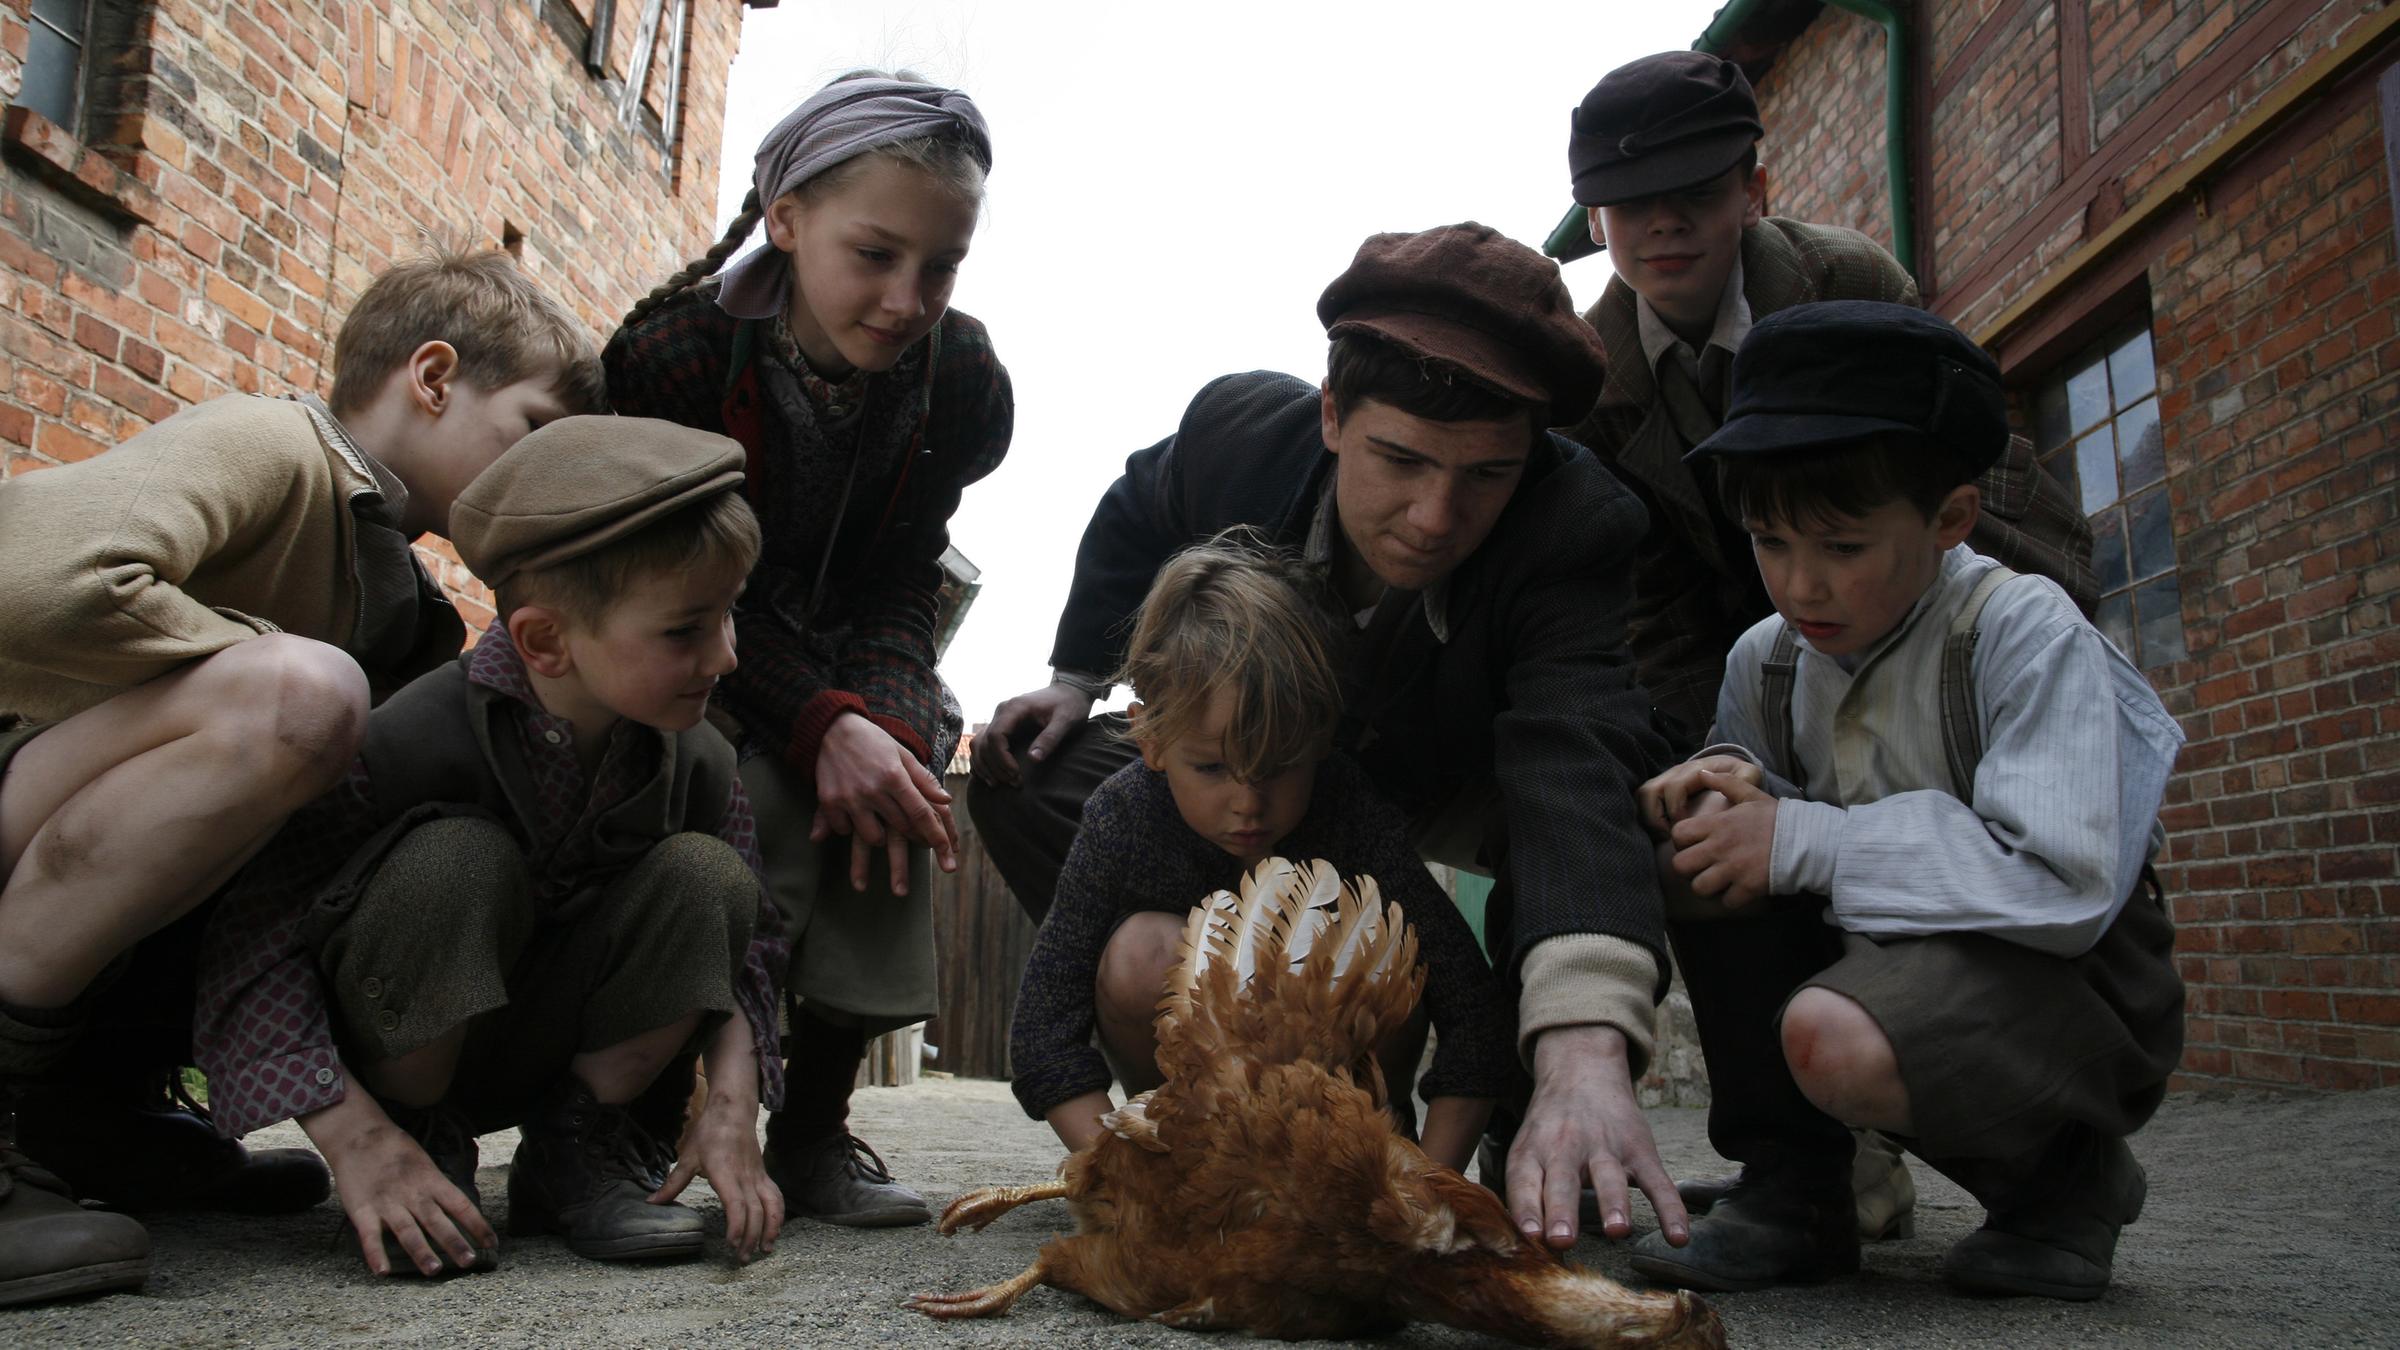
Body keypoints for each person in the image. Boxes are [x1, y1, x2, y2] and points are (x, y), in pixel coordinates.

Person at [971, 222, 1684, 1254]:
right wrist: (1075, 679)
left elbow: (1570, 757)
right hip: (1278, 776)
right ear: (1334, 416)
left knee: (1627, 829)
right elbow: (1136, 509)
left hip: (1465, 774)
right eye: (1401, 459)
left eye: (1485, 475)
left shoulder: (1578, 523)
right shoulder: (1237, 437)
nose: (1436, 516)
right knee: (1023, 778)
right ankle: (1209, 1075)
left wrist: (1582, 1042)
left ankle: (1498, 1119)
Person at [1560, 48, 2098, 1240]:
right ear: (1596, 218)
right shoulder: (1595, 381)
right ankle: (1804, 1178)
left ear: (1753, 185)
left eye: (1694, 192)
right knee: (1711, 837)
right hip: (1764, 655)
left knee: (1962, 874)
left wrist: (1997, 655)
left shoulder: (1846, 278)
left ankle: (2058, 1172)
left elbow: (1971, 473)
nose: (1662, 225)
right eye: (1627, 204)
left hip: (1931, 622)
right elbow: (1652, 609)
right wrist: (1734, 768)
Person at [0, 249, 600, 1306]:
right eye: (534, 431)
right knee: (305, 701)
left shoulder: (410, 616)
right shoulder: (274, 443)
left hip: (97, 893)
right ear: (432, 375)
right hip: (22, 797)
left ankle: (92, 1117)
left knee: (344, 804)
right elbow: (34, 582)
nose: (544, 478)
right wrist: (265, 669)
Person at [1628, 301, 2183, 1300]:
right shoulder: (1769, 658)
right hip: (1895, 960)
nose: (1801, 583)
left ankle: (2065, 1181)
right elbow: (1772, 844)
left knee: (1833, 1037)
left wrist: (1797, 834)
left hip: (2081, 990)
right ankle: (1796, 1190)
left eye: (1843, 547)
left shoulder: (2019, 629)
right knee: (1699, 857)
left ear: (1951, 519)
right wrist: (1734, 788)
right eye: (1769, 540)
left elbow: (2062, 882)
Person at [194, 417, 789, 1277]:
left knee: (709, 874)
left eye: (729, 616)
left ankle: (577, 1154)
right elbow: (252, 943)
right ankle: (419, 1154)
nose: (727, 656)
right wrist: (359, 1140)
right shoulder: (402, 740)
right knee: (454, 857)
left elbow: (753, 950)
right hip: (407, 1052)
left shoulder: (699, 758)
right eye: (685, 631)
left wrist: (732, 1104)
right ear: (547, 641)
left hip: (571, 1053)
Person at [603, 70, 1011, 1227]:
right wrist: (815, 719)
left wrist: (873, 726)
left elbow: (902, 575)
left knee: (897, 789)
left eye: (942, 266)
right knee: (753, 799)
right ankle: (636, 1123)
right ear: (786, 221)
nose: (906, 297)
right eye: (875, 255)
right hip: (694, 643)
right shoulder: (675, 360)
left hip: (844, 654)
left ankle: (818, 1126)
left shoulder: (960, 381)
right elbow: (674, 582)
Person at [1008, 535, 1516, 1172]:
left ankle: (1365, 1160)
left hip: (1348, 1141)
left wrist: (1436, 1187)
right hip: (1186, 1140)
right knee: (1142, 949)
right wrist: (1120, 1178)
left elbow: (1474, 1012)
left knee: (1377, 945)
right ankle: (1179, 1163)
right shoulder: (1123, 816)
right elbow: (1043, 1031)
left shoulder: (1349, 810)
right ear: (1150, 739)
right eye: (1212, 767)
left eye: (1278, 767)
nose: (1248, 804)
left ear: (1322, 738)